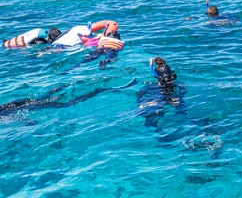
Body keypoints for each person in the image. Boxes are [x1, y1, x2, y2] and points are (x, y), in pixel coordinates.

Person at [137, 57, 222, 157]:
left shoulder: (150, 88)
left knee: (156, 125)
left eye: (171, 78)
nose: (170, 81)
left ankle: (194, 143)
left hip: (171, 110)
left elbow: (141, 106)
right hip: (172, 109)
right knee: (156, 119)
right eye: (168, 79)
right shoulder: (177, 86)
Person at [1, 79, 136, 119]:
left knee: (68, 103)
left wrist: (28, 122)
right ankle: (65, 85)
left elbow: (16, 117)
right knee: (47, 97)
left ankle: (98, 91)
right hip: (22, 102)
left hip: (29, 106)